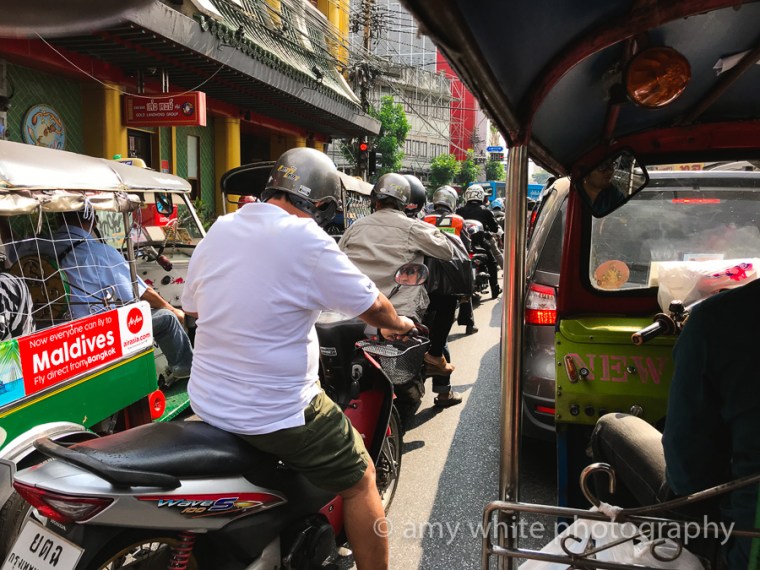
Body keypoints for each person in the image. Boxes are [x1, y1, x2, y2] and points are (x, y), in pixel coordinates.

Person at [182, 148, 415, 570]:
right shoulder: (307, 238)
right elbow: (374, 306)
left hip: (208, 402)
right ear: (321, 205)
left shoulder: (222, 227)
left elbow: (194, 307)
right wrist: (398, 323)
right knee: (361, 479)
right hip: (275, 410)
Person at [591, 278, 760, 567]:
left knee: (610, 427)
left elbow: (687, 478)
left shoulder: (720, 318)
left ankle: (619, 555)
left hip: (739, 547)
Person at [339, 174, 462, 406]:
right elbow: (446, 251)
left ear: (375, 201)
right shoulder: (413, 227)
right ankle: (441, 382)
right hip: (398, 313)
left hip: (352, 309)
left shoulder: (355, 227)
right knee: (447, 302)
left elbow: (338, 257)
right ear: (405, 204)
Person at [54, 210, 193, 385]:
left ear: (58, 218)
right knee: (167, 318)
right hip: (98, 333)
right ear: (93, 220)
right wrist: (173, 310)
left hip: (58, 328)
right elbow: (139, 293)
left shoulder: (39, 247)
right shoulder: (99, 252)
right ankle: (187, 370)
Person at [456, 184, 502, 299]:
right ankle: (495, 289)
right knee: (492, 263)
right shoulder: (486, 211)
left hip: (462, 244)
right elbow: (495, 228)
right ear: (481, 196)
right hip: (480, 243)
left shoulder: (459, 211)